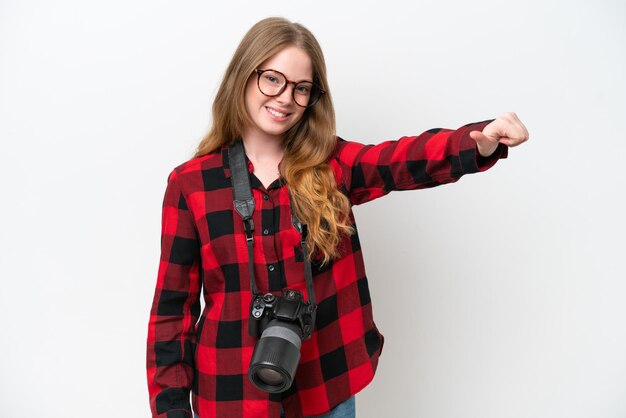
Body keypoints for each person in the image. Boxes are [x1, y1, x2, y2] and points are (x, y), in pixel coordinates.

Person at [146, 16, 529, 418]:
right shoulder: (190, 185)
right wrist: (171, 411)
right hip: (232, 396)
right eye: (273, 79)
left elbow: (398, 160)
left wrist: (478, 142)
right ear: (244, 74)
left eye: (301, 88)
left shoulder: (331, 164)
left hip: (324, 388)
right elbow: (172, 312)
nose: (285, 98)